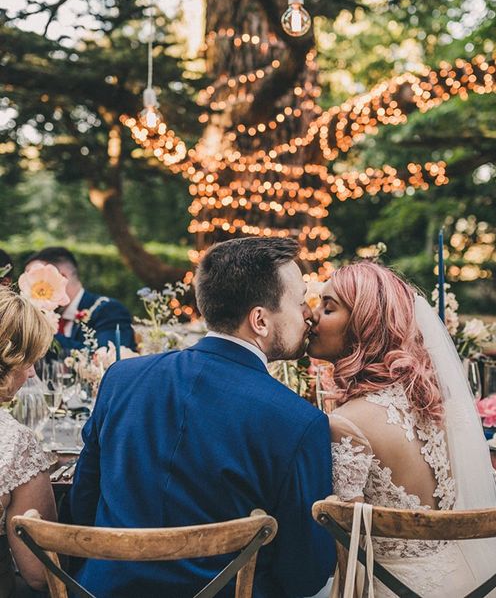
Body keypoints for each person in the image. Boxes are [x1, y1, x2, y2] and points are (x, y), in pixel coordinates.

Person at [69, 237, 335, 597]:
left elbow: (83, 505)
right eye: (301, 301)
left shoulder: (122, 378)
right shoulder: (299, 422)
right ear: (259, 320)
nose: (308, 313)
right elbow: (305, 573)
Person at [308, 261, 496, 597]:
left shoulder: (346, 423)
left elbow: (349, 550)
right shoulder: (432, 400)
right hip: (472, 581)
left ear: (363, 324)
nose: (313, 316)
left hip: (394, 589)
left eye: (328, 308)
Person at [0, 287, 58, 596]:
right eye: (29, 360)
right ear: (7, 362)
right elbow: (39, 572)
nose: (32, 373)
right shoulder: (15, 441)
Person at [23, 246, 136, 351]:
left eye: (36, 281)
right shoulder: (50, 315)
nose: (31, 289)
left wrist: (42, 333)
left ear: (62, 277)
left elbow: (104, 358)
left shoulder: (109, 310)